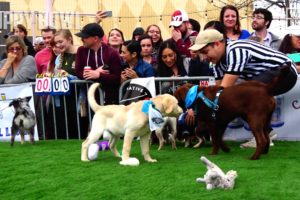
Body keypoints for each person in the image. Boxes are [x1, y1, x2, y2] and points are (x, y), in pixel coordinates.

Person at [189, 29, 298, 147]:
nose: (204, 57)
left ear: (217, 44)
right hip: (272, 75)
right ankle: (266, 133)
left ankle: (262, 135)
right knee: (236, 101)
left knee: (238, 97)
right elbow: (218, 95)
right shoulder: (218, 63)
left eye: (205, 52)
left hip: (284, 72)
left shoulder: (235, 49)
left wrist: (203, 111)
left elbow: (222, 92)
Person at [75, 23, 122, 105]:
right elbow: (78, 72)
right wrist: (95, 72)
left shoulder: (112, 53)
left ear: (95, 38)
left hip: (109, 101)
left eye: (85, 37)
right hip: (89, 99)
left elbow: (116, 78)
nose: (82, 39)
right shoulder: (81, 50)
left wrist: (98, 75)